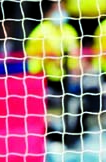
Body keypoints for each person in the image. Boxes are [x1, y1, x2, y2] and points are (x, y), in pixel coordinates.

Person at [25, 0, 83, 146]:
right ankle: (51, 136)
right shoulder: (40, 32)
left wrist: (77, 69)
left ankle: (72, 136)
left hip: (67, 78)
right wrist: (51, 57)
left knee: (89, 95)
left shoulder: (70, 31)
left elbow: (76, 56)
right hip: (44, 79)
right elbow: (32, 58)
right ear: (50, 11)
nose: (61, 12)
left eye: (63, 8)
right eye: (58, 8)